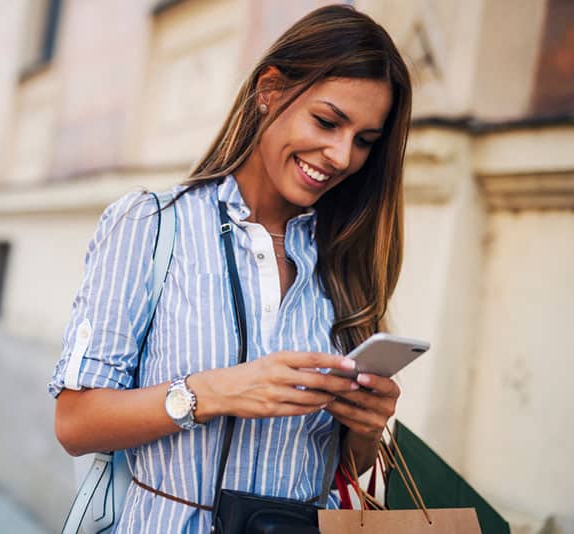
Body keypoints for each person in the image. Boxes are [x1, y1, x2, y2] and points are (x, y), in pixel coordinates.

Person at [49, 5, 412, 533]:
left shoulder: (346, 261)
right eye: (327, 121)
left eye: (363, 141)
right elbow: (75, 423)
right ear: (269, 90)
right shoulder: (152, 225)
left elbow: (341, 471)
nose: (340, 155)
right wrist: (211, 392)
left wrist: (365, 428)